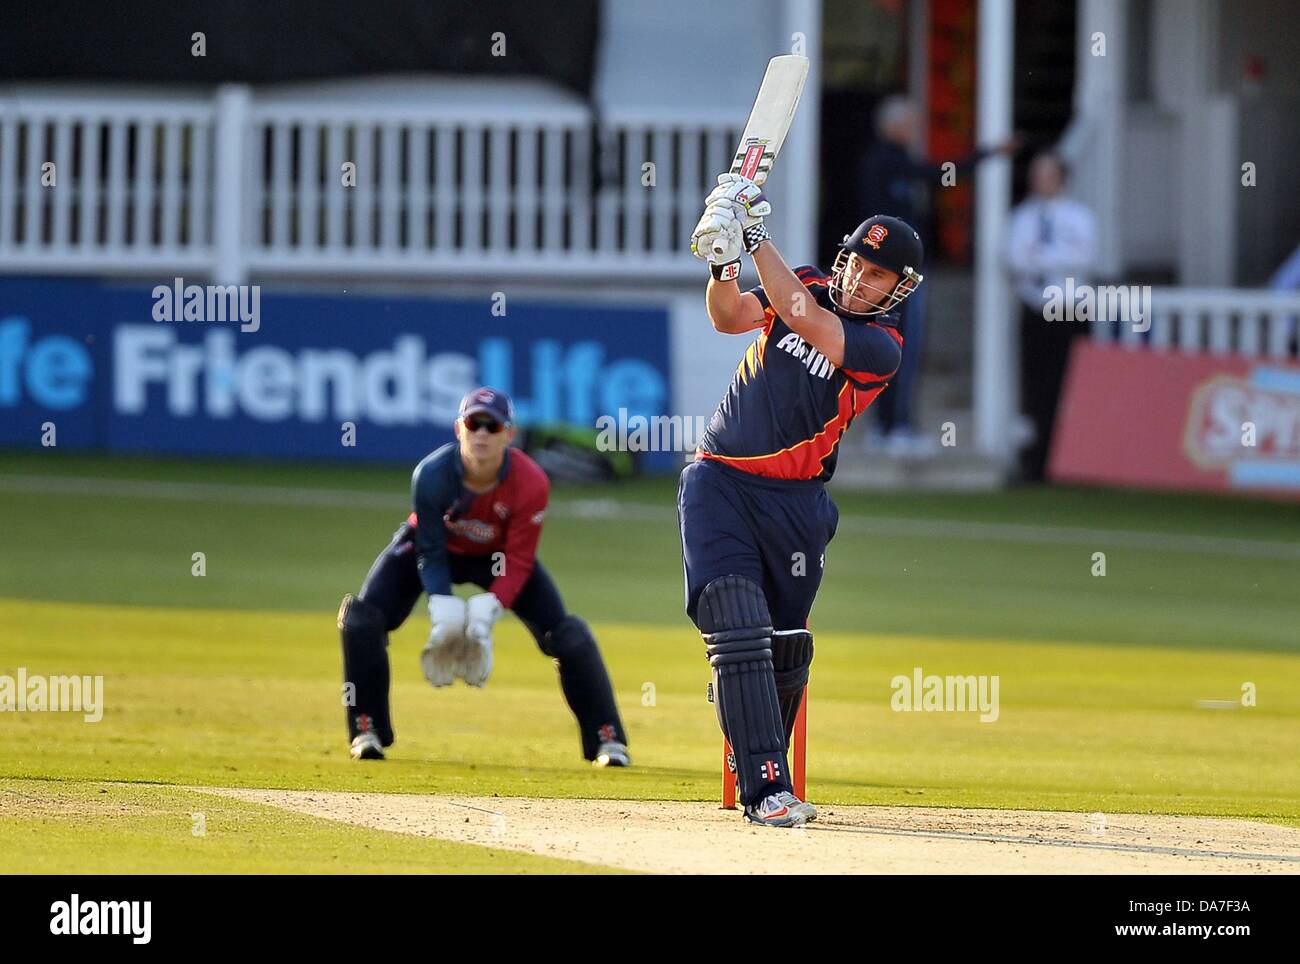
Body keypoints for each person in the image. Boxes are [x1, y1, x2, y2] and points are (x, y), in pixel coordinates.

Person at [686, 175, 923, 827]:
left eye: (878, 277)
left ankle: (747, 727)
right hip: (721, 483)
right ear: (841, 256)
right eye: (856, 264)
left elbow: (801, 318)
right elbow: (728, 315)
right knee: (737, 629)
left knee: (786, 647)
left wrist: (757, 235)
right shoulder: (809, 283)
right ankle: (767, 787)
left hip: (798, 506)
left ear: (896, 290)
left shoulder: (882, 349)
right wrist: (722, 261)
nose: (859, 281)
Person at [337, 386, 629, 767]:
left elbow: (520, 559)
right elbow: (430, 548)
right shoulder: (431, 475)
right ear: (459, 428)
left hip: (499, 557)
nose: (482, 434)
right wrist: (443, 605)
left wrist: (491, 606)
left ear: (509, 434)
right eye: (474, 423)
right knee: (360, 621)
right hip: (434, 550)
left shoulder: (531, 482)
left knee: (568, 635)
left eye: (493, 426)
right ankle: (366, 729)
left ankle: (608, 741)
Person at [859, 95, 1015, 455]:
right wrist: (987, 155)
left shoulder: (891, 162)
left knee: (893, 346)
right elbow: (940, 175)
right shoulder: (884, 162)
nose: (915, 129)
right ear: (894, 125)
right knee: (901, 347)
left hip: (890, 274)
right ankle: (894, 427)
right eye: (910, 122)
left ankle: (890, 427)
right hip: (896, 276)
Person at [1005, 150, 1098, 480]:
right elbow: (1015, 260)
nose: (1041, 181)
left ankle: (1075, 461)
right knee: (1036, 387)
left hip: (1070, 308)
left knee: (1071, 382)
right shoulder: (1023, 217)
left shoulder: (1079, 217)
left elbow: (1083, 258)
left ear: (1061, 178)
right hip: (1036, 308)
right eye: (1037, 174)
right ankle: (1038, 462)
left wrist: (1040, 256)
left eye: (1048, 174)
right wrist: (1054, 257)